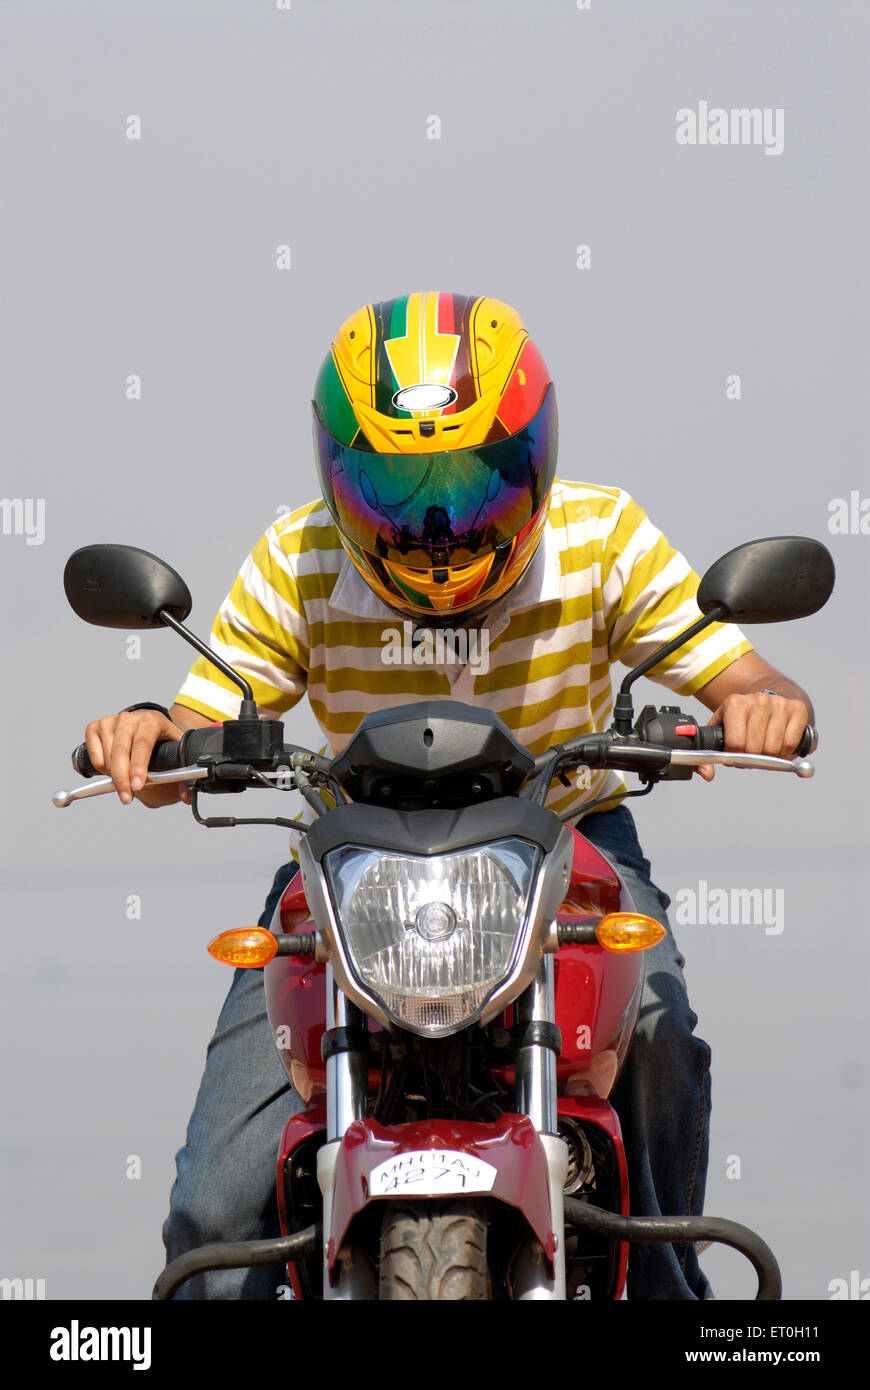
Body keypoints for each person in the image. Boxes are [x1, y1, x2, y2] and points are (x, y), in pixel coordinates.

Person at [83, 291, 814, 1300]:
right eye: (394, 491)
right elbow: (194, 718)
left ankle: (664, 1282)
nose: (435, 529)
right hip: (356, 847)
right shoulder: (300, 556)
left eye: (470, 488)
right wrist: (146, 733)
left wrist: (766, 707)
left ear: (534, 465)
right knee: (216, 1203)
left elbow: (749, 682)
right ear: (335, 478)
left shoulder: (602, 538)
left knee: (656, 1038)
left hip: (571, 837)